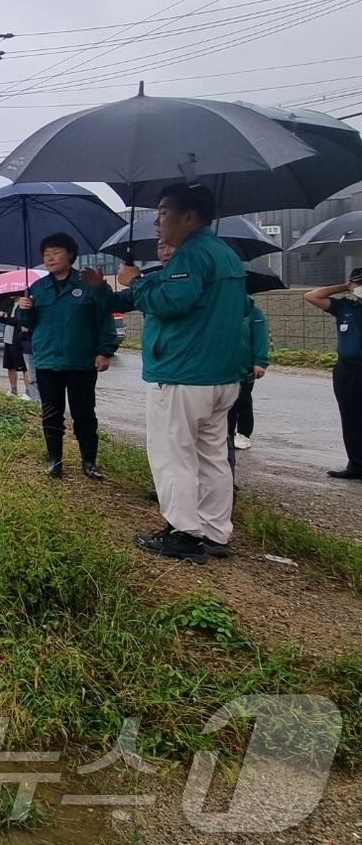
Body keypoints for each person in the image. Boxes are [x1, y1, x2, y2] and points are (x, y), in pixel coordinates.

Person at [91, 183, 247, 564]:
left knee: (172, 454)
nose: (157, 221)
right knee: (212, 455)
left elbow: (171, 302)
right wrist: (111, 288)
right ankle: (214, 531)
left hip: (184, 373)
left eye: (163, 212)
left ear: (189, 217)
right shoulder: (223, 253)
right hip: (221, 375)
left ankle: (184, 533)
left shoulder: (192, 254)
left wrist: (137, 281)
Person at [15, 233, 119, 480]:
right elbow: (27, 325)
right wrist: (24, 310)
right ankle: (54, 460)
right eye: (46, 254)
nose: (50, 258)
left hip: (81, 361)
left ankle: (89, 462)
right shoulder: (37, 288)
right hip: (48, 360)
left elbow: (104, 319)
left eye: (56, 252)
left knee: (84, 412)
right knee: (51, 412)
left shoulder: (87, 285)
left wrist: (105, 351)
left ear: (70, 255)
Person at [304, 267, 362, 479]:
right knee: (351, 417)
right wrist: (345, 287)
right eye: (358, 283)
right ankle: (356, 464)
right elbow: (311, 296)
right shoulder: (344, 307)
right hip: (347, 369)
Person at [228, 298, 269, 463]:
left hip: (244, 367)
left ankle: (244, 433)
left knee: (242, 401)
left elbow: (260, 336)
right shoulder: (218, 307)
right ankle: (227, 436)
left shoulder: (253, 311)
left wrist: (260, 361)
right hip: (222, 367)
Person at [0, 300, 33, 399]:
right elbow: (8, 319)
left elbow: (18, 321)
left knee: (25, 367)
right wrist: (0, 317)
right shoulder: (9, 303)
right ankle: (13, 389)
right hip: (8, 338)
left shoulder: (25, 303)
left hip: (21, 339)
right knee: (10, 365)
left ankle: (29, 392)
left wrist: (5, 319)